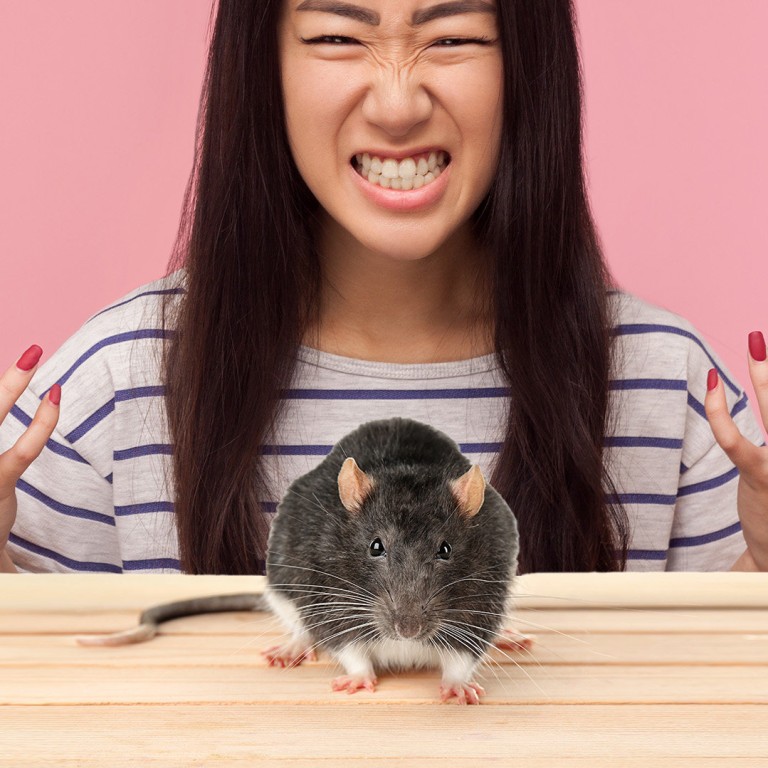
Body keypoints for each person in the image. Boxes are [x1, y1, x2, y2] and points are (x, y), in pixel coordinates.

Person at [1, 0, 766, 576]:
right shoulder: (114, 387)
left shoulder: (669, 388)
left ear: (528, 65)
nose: (397, 105)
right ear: (262, 66)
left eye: (453, 37)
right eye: (337, 37)